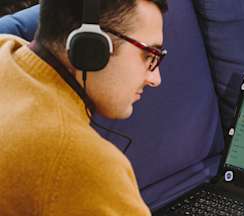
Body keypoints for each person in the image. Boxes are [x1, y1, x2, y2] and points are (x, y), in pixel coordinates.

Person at [0, 0, 167, 215]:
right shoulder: (83, 163)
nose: (155, 79)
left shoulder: (5, 46)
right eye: (149, 55)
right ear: (91, 47)